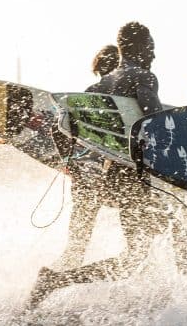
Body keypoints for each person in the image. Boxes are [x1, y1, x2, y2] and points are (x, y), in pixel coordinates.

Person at [27, 22, 182, 310]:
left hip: (107, 177)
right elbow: (155, 119)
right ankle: (54, 282)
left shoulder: (97, 86)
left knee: (140, 244)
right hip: (132, 179)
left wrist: (70, 165)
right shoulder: (143, 77)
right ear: (137, 47)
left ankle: (145, 301)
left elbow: (60, 130)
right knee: (135, 257)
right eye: (151, 48)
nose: (154, 55)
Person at [53, 44, 119, 270]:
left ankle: (61, 272)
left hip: (85, 170)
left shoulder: (89, 93)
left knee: (77, 241)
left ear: (98, 68)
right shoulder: (123, 95)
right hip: (110, 173)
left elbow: (58, 128)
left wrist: (67, 162)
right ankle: (60, 278)